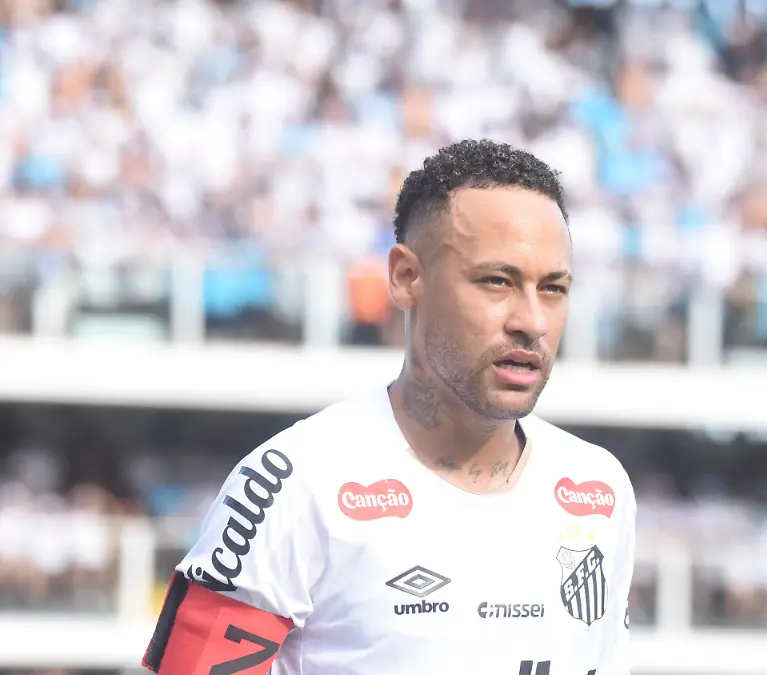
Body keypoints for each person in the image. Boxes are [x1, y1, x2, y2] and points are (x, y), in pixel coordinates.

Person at [142, 140, 637, 675]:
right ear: (406, 277)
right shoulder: (292, 483)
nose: (533, 321)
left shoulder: (600, 489)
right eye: (497, 281)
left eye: (554, 288)